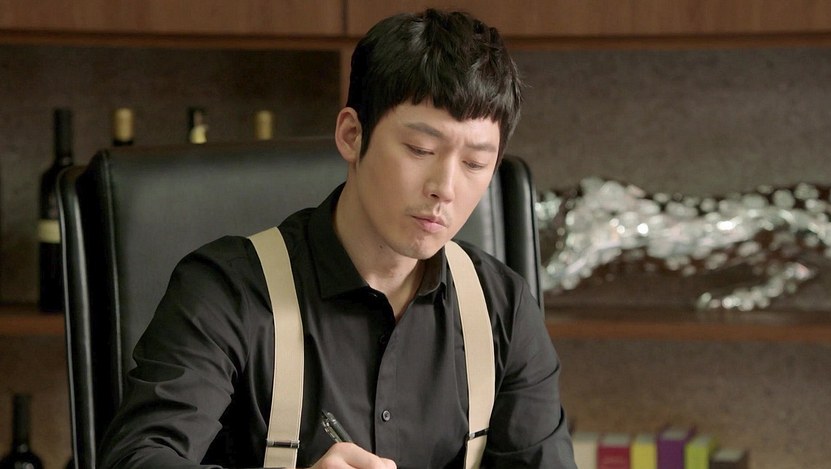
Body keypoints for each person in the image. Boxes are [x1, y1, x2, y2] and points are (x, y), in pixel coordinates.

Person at [98, 8, 577, 469]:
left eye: (475, 163)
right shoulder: (226, 291)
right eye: (420, 149)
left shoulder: (502, 309)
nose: (445, 189)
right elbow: (138, 458)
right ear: (351, 135)